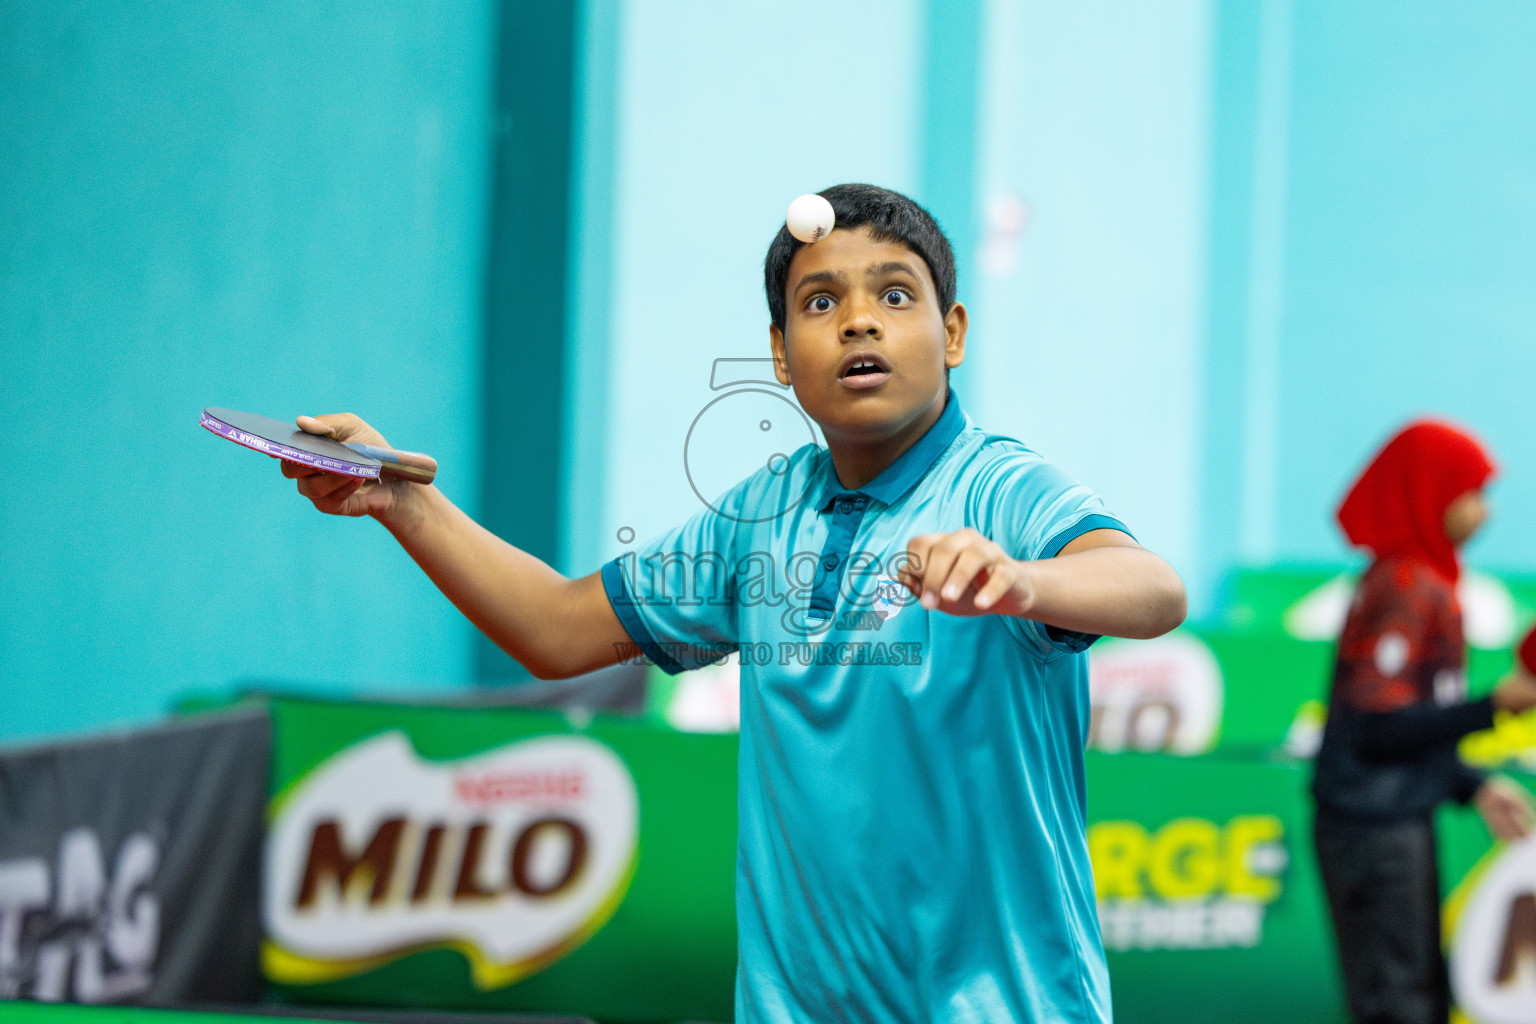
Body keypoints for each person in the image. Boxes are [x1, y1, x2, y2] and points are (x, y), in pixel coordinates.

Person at [284, 183, 1187, 1023]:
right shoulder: (762, 515)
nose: (860, 319)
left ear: (952, 334)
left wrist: (1024, 581)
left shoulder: (1001, 489)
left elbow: (1151, 587)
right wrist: (402, 502)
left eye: (896, 295)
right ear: (780, 356)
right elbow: (556, 630)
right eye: (820, 303)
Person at [1311, 419, 1536, 1024]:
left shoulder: (1424, 580)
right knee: (1398, 1003)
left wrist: (1473, 784)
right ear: (1431, 491)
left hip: (1393, 817)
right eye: (1473, 493)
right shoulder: (1405, 585)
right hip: (1371, 827)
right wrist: (1497, 705)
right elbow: (1378, 729)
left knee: (1420, 996)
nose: (1484, 512)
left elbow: (1413, 724)